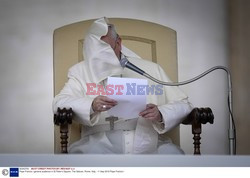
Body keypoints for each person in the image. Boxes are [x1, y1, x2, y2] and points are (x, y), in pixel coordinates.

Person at [53, 17, 193, 154]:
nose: (100, 59)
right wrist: (91, 105)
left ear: (118, 43)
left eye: (105, 52)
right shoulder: (80, 71)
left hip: (148, 141)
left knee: (174, 157)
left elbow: (183, 104)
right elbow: (59, 102)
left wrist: (161, 114)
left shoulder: (151, 69)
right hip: (97, 143)